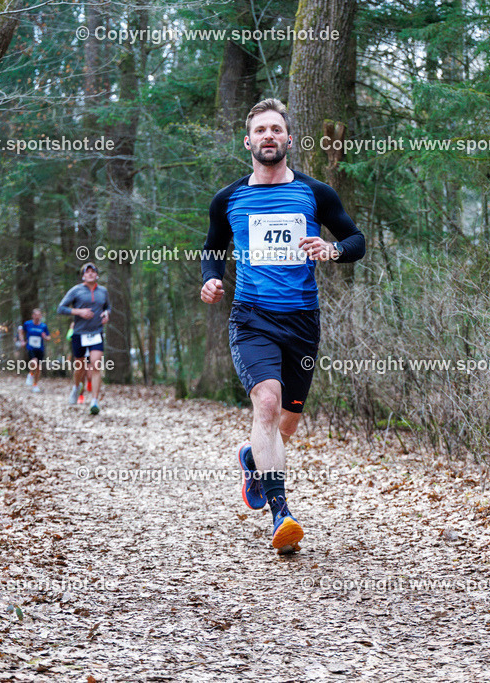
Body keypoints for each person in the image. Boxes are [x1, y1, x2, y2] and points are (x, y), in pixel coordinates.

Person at [200, 98, 365, 554]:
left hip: (302, 321)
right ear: (248, 141)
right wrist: (212, 278)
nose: (268, 136)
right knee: (266, 405)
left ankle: (253, 458)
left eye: (276, 129)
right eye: (260, 130)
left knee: (286, 425)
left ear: (289, 140)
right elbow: (212, 248)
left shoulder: (315, 193)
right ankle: (281, 514)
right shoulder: (229, 198)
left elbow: (356, 240)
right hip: (251, 317)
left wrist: (332, 251)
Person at [58, 262, 110, 415]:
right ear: (83, 276)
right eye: (87, 272)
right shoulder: (76, 290)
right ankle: (76, 387)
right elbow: (61, 308)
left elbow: (108, 307)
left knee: (95, 365)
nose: (90, 274)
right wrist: (78, 312)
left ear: (97, 275)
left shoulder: (103, 291)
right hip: (79, 333)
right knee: (80, 366)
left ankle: (94, 401)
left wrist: (107, 314)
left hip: (96, 333)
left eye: (93, 271)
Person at [20, 309, 49, 393]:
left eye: (39, 315)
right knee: (34, 362)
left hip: (40, 349)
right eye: (35, 315)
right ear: (33, 316)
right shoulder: (27, 324)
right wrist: (22, 341)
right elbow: (21, 331)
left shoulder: (43, 326)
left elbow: (48, 337)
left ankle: (35, 385)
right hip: (30, 347)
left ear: (41, 316)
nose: (37, 317)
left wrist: (45, 337)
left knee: (38, 368)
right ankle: (30, 374)